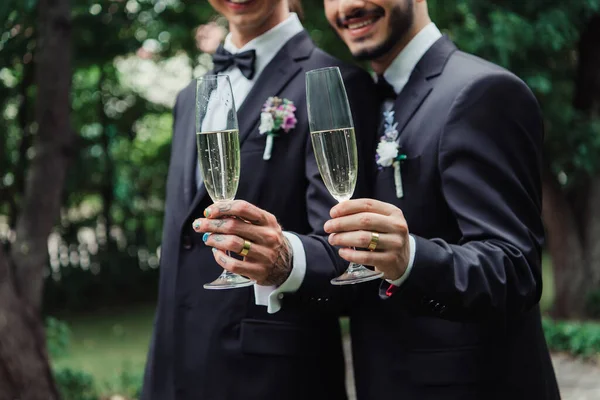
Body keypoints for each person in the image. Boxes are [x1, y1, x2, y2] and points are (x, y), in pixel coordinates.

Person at [202, 0, 561, 398]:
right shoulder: (368, 97)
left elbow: (514, 271)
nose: (349, 6)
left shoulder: (482, 90)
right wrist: (285, 256)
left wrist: (410, 258)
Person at [140, 0, 380, 399]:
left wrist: (284, 259)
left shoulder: (337, 83)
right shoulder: (188, 98)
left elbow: (348, 255)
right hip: (173, 371)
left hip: (271, 378)